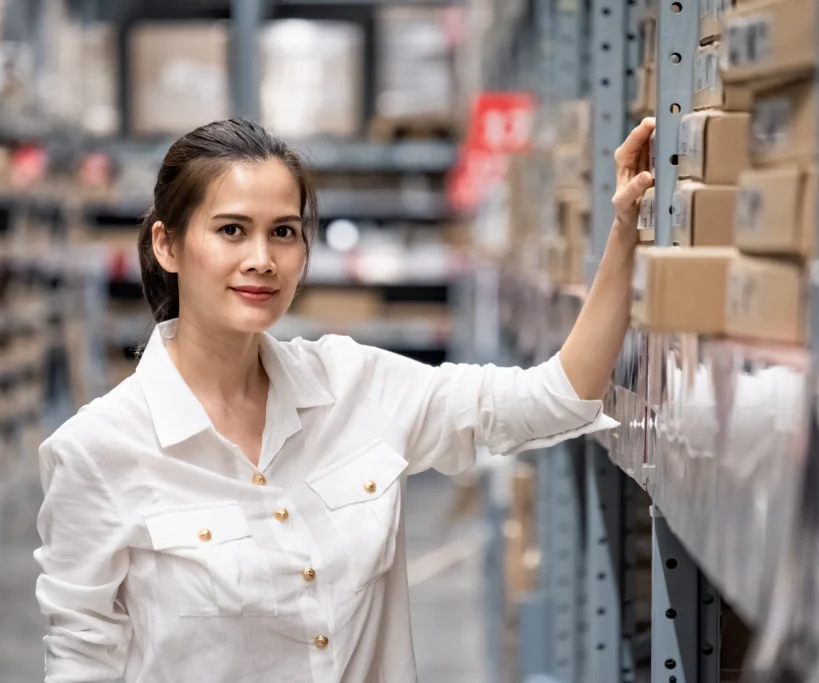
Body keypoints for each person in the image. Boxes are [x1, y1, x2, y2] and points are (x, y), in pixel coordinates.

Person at [34, 116, 656, 683]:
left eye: (284, 232)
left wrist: (625, 231)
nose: (262, 260)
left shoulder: (355, 385)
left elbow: (556, 397)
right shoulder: (98, 454)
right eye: (231, 231)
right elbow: (82, 667)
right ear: (167, 245)